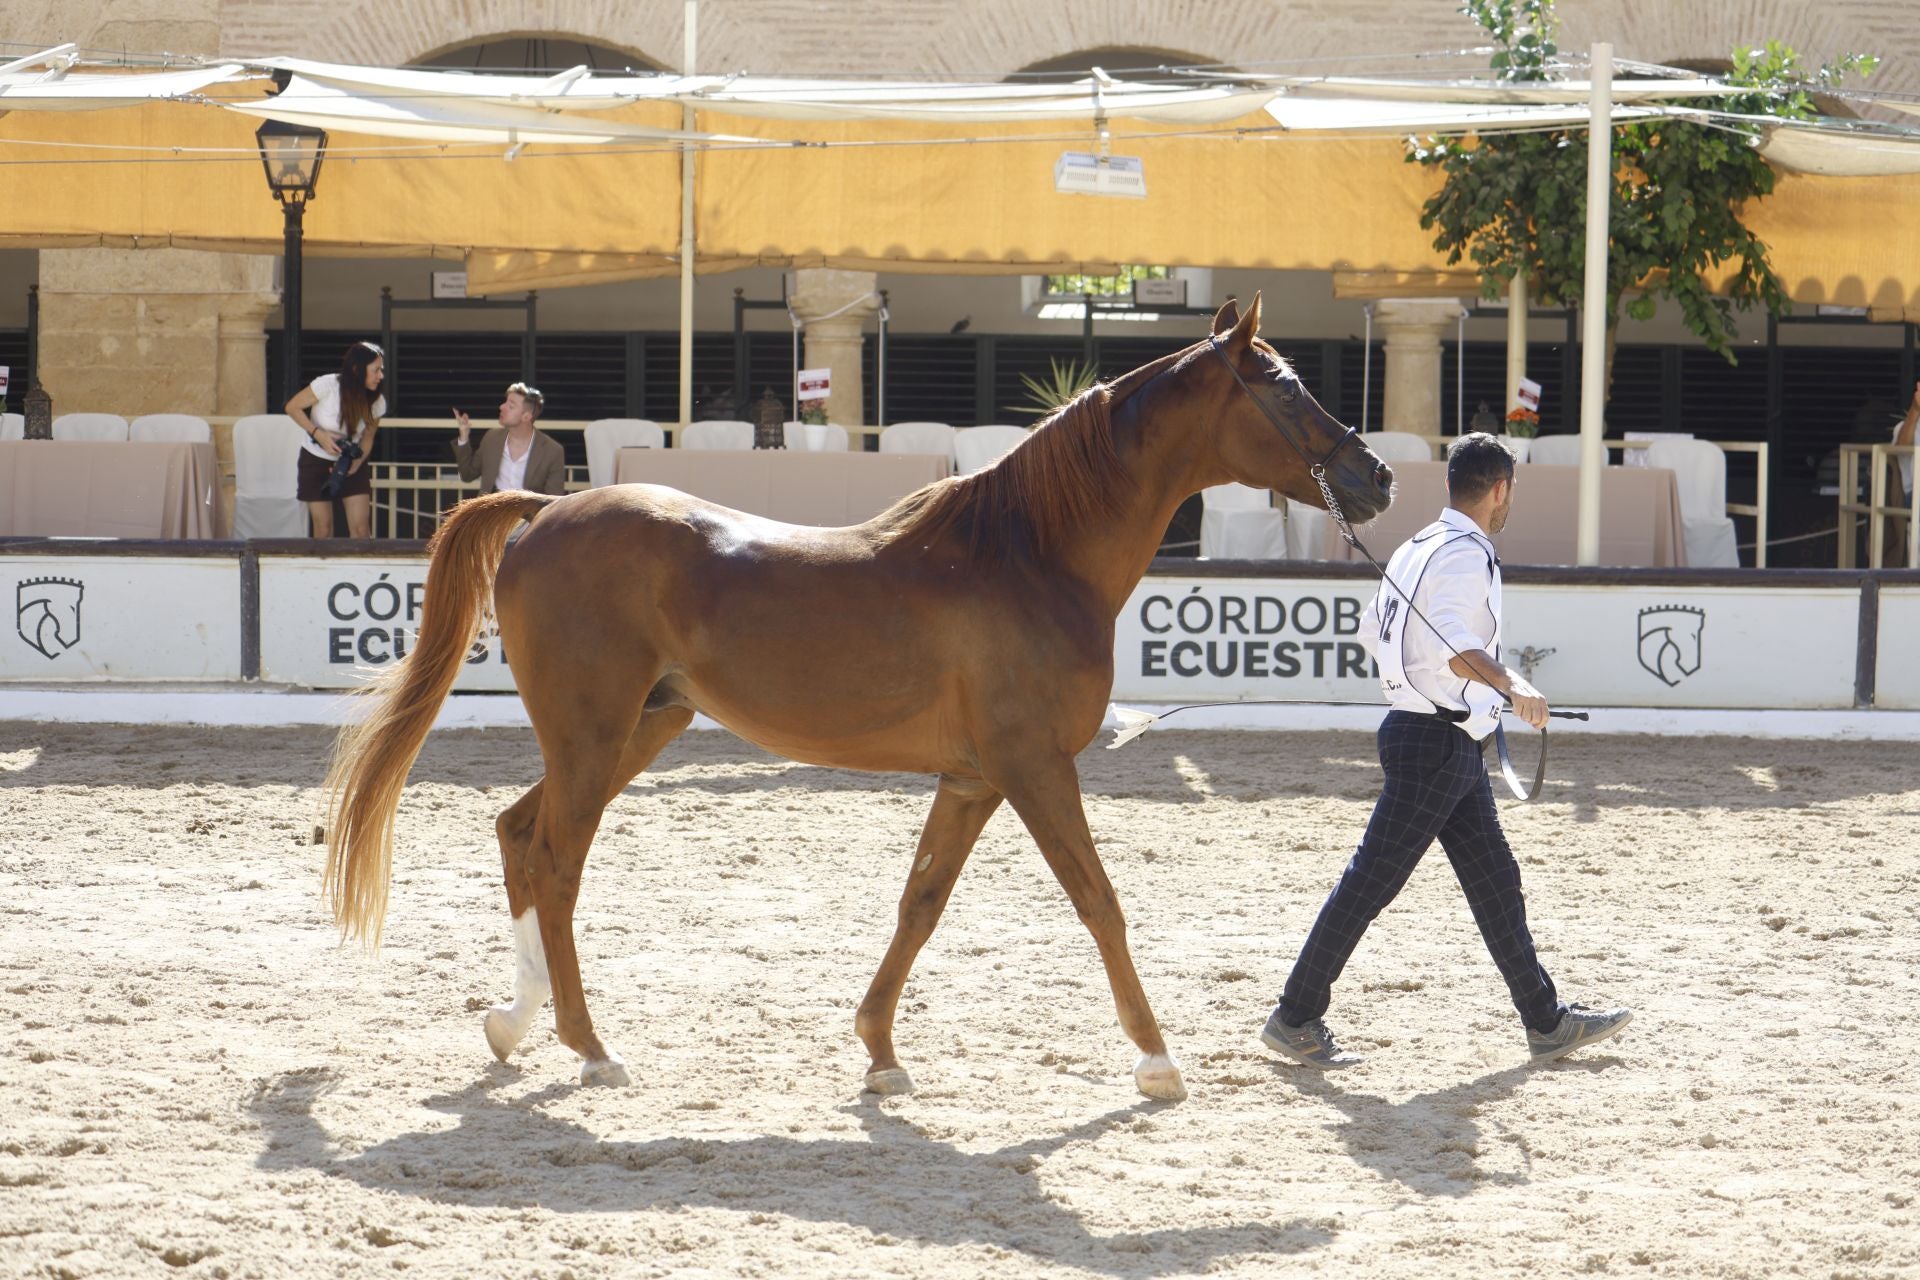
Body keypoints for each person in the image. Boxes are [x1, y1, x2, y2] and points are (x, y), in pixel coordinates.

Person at [1260, 433, 1631, 1069]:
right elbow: (1456, 647)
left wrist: (1437, 691)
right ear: (1500, 489)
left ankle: (1545, 1021)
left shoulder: (1416, 546)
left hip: (1438, 737)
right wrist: (1512, 686)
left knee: (1495, 883)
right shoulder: (1465, 554)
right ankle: (1294, 1016)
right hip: (1436, 743)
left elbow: (1372, 631)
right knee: (1370, 883)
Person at [286, 341, 385, 538]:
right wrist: (318, 434)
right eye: (375, 370)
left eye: (381, 370)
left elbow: (368, 437)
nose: (380, 376)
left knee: (361, 530)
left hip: (351, 460)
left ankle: (362, 561)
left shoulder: (377, 401)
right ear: (357, 369)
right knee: (323, 528)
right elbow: (292, 407)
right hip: (315, 458)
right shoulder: (327, 385)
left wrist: (356, 464)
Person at [450, 382, 566, 495]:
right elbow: (467, 475)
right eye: (505, 402)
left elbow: (553, 500)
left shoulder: (552, 451)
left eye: (511, 406)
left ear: (526, 417)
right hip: (491, 507)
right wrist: (464, 436)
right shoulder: (492, 438)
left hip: (528, 508)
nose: (501, 407)